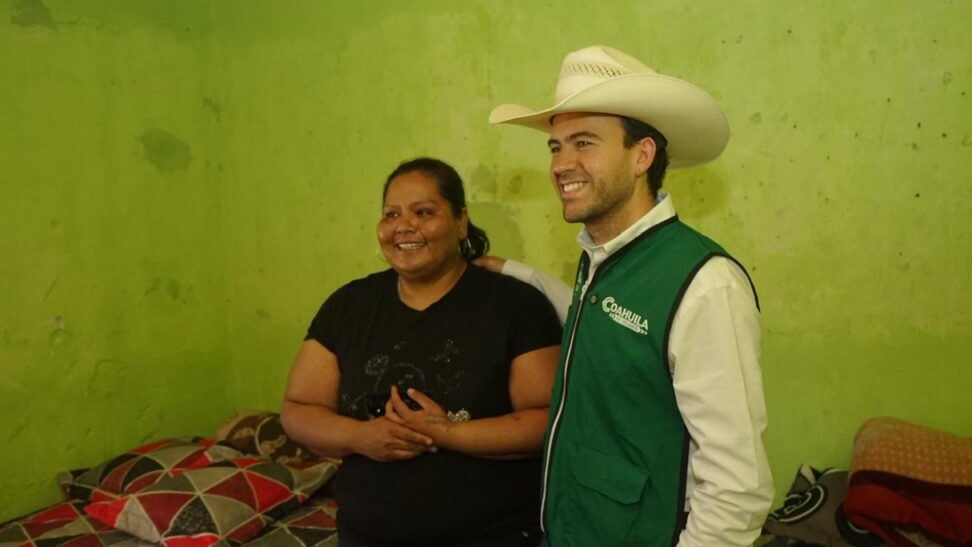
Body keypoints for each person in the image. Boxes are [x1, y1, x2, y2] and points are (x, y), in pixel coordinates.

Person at [487, 45, 774, 547]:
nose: (562, 164)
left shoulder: (706, 284)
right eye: (555, 147)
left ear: (641, 156)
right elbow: (607, 326)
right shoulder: (601, 260)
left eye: (584, 143)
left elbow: (737, 488)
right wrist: (511, 270)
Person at [281, 157, 563, 547]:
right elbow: (298, 408)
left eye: (424, 212)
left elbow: (547, 422)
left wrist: (446, 432)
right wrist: (361, 436)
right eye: (391, 214)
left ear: (461, 222)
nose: (404, 226)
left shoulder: (516, 306)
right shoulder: (349, 306)